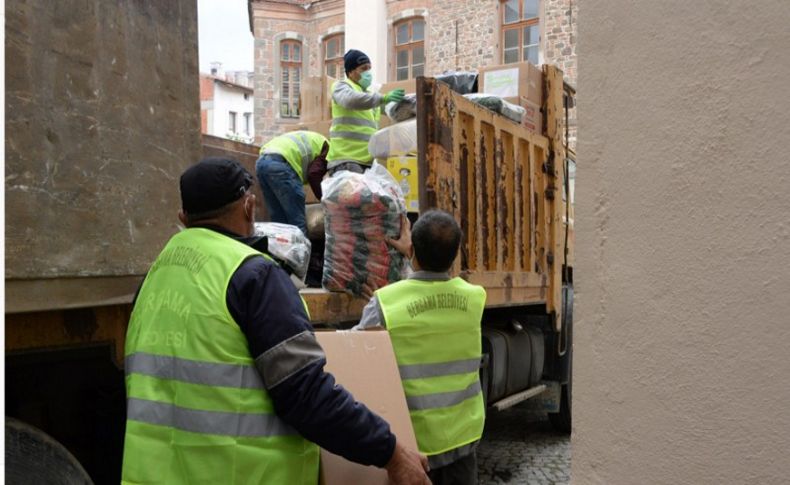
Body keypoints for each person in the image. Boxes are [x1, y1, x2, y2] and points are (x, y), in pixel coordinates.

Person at [121, 157, 430, 485]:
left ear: (183, 218)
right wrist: (391, 453)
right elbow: (306, 394)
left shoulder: (154, 276)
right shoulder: (253, 275)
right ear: (249, 207)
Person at [355, 210, 487, 485]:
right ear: (455, 255)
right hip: (462, 441)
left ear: (412, 249)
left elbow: (354, 354)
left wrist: (375, 303)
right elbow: (435, 291)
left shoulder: (386, 303)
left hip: (414, 450)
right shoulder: (475, 299)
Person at [325, 49, 405, 175]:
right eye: (363, 68)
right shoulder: (341, 87)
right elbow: (351, 100)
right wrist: (383, 98)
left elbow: (392, 110)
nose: (368, 72)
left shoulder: (369, 96)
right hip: (347, 161)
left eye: (369, 68)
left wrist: (409, 104)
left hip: (367, 162)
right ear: (350, 72)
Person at [256, 130, 329, 235]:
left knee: (279, 221)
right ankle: (301, 251)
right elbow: (314, 175)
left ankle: (282, 250)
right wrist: (325, 200)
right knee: (297, 222)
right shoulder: (330, 151)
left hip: (261, 163)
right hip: (281, 163)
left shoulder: (316, 140)